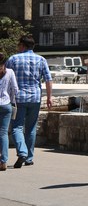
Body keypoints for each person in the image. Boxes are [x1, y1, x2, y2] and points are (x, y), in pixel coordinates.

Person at [7, 35, 52, 168]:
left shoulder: (13, 59)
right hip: (35, 98)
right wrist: (49, 97)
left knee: (16, 127)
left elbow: (5, 77)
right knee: (31, 128)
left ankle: (22, 152)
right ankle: (29, 158)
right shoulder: (41, 59)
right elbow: (48, 79)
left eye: (18, 45)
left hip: (19, 98)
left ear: (22, 45)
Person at [0, 53, 19, 171]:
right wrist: (12, 101)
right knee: (3, 134)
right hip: (6, 105)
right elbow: (15, 89)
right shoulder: (10, 72)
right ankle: (3, 161)